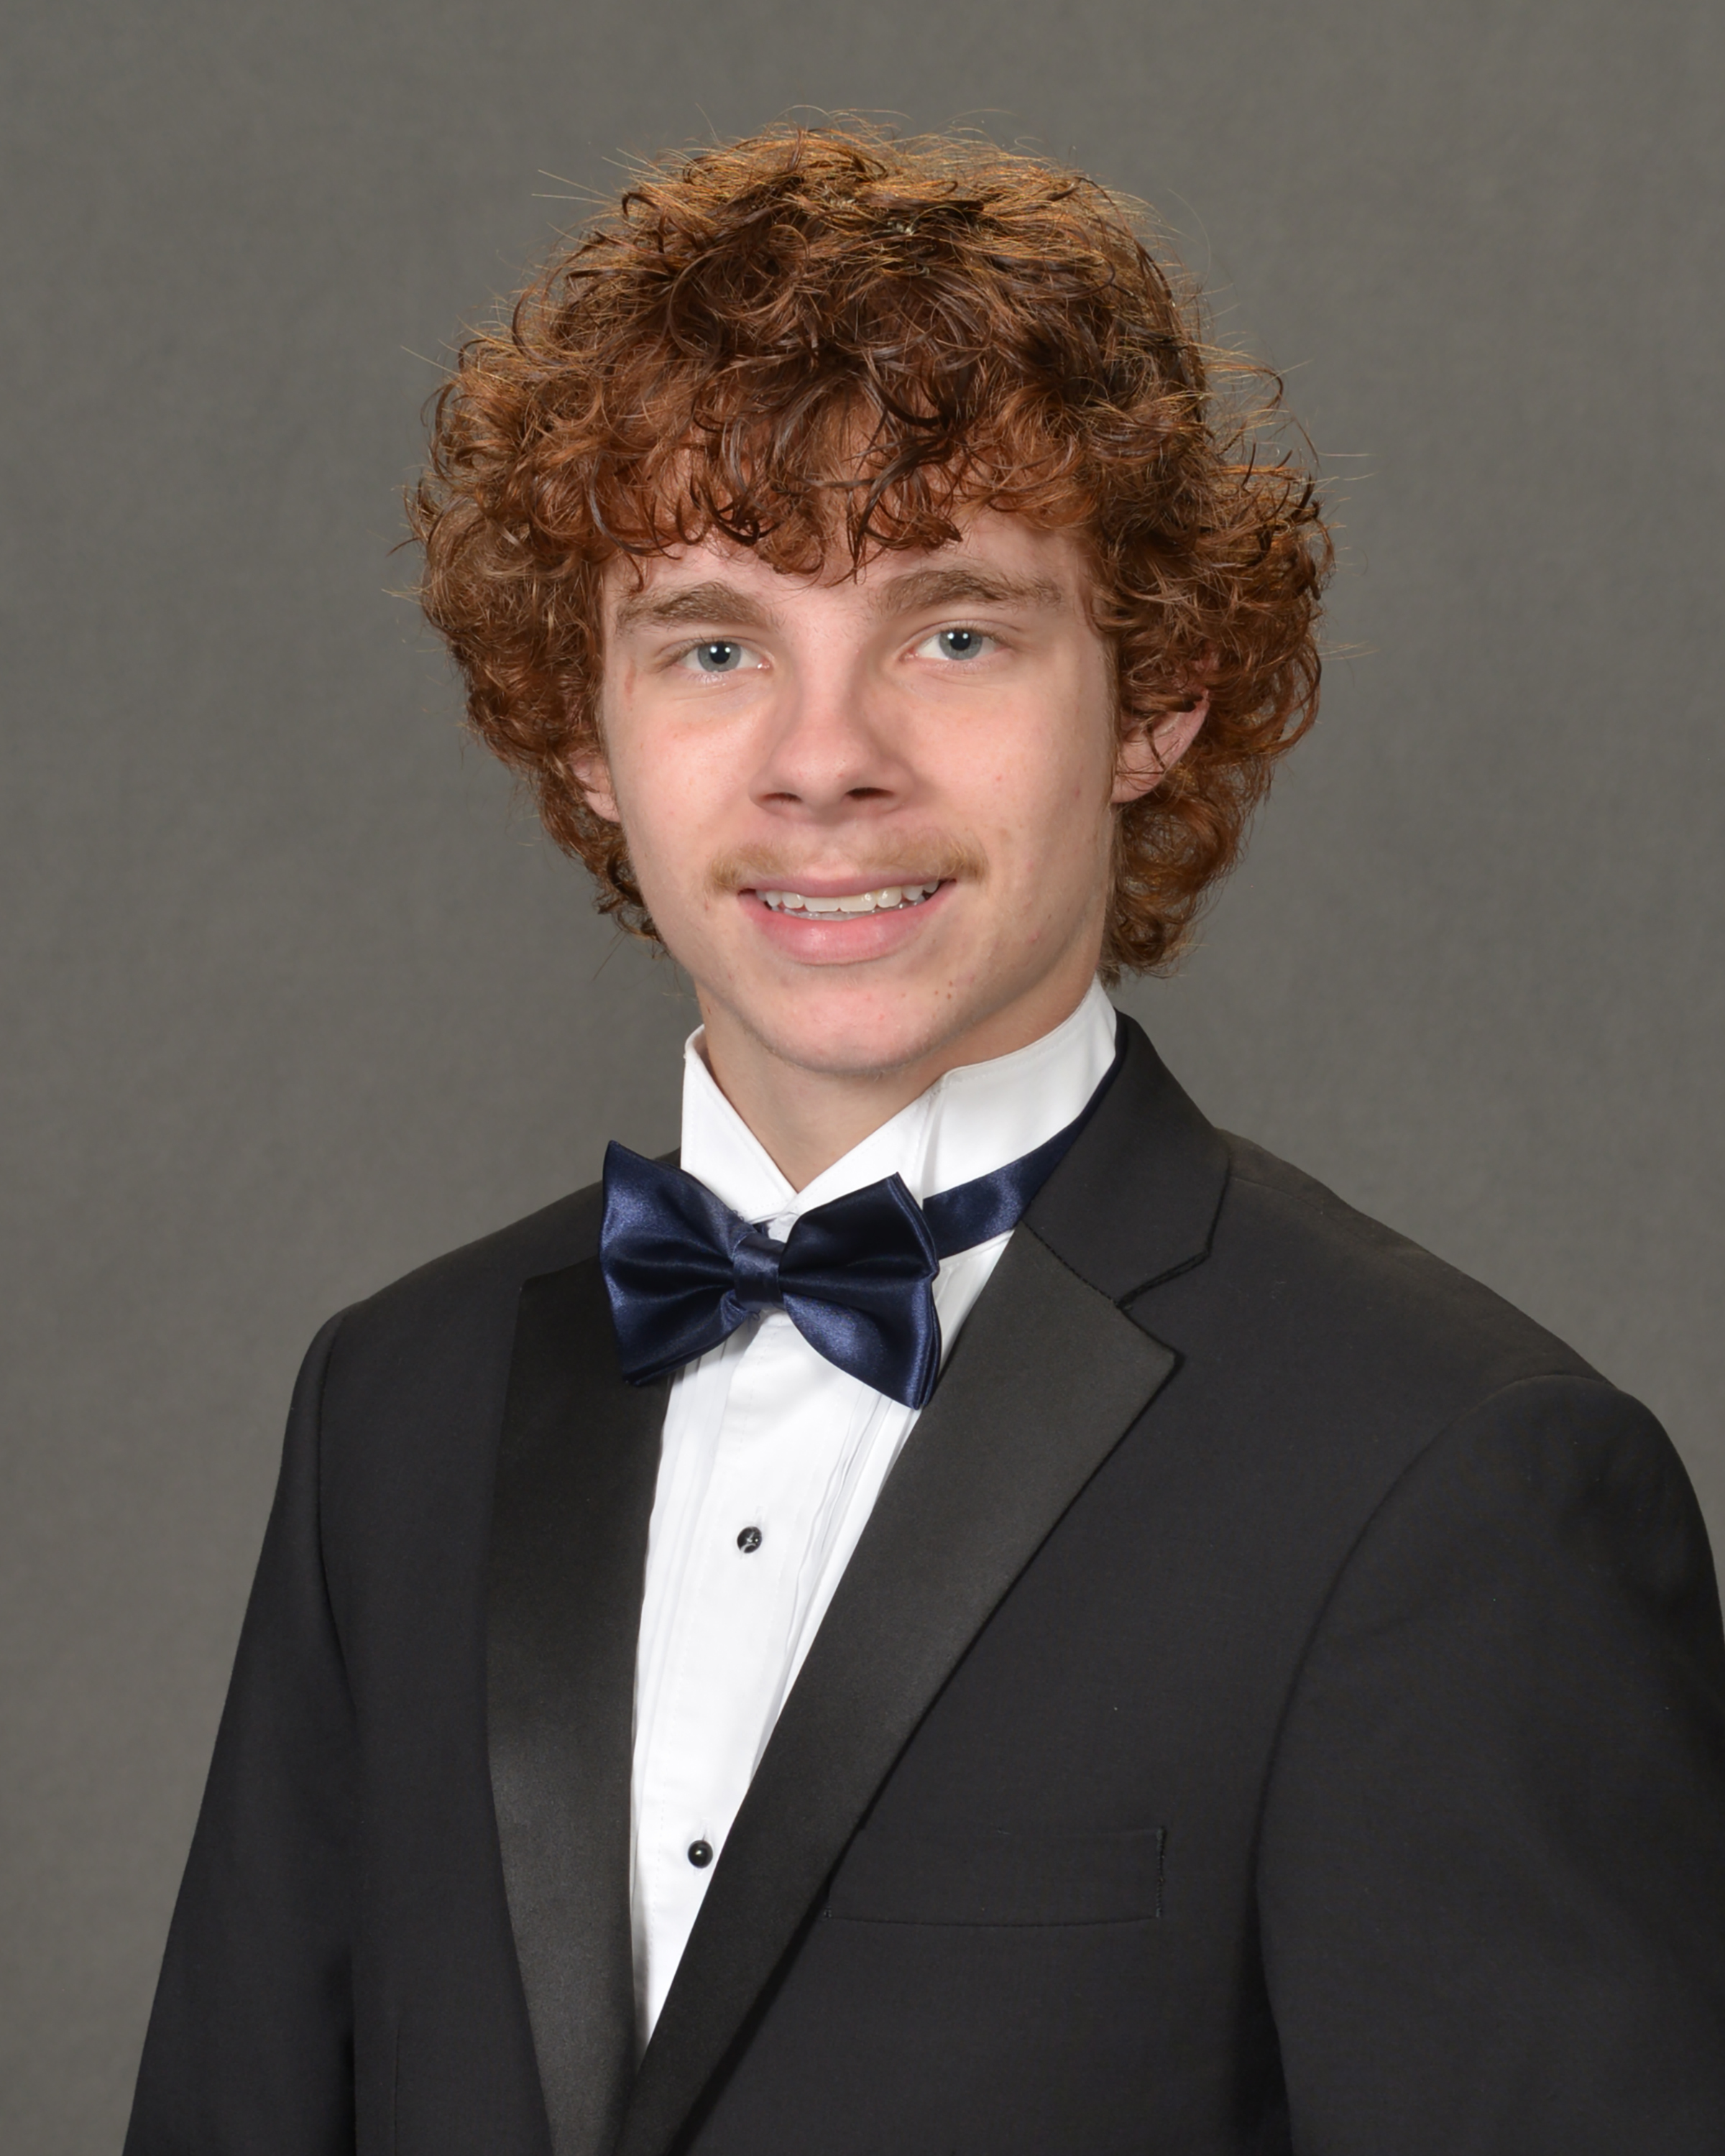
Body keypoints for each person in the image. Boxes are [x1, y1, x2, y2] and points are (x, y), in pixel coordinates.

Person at [124, 125, 1725, 2156]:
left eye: (954, 632)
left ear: (1158, 697)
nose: (825, 764)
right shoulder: (393, 1408)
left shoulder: (1457, 1480)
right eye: (715, 644)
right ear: (582, 731)